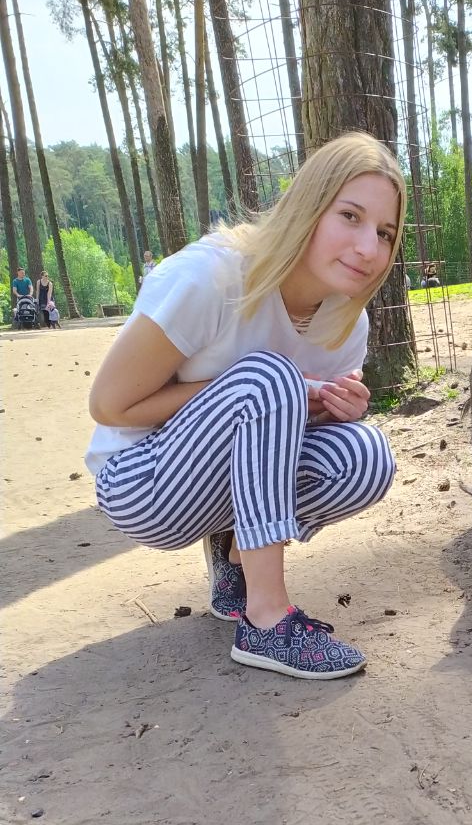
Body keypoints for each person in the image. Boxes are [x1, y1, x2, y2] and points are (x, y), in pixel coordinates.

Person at [87, 131, 405, 682]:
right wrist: (264, 391)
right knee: (268, 378)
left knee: (365, 456)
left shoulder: (346, 324)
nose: (367, 248)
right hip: (143, 484)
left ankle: (235, 561)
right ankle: (267, 620)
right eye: (350, 217)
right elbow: (109, 406)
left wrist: (325, 408)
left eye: (384, 233)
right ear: (308, 206)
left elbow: (279, 428)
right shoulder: (210, 277)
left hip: (220, 484)